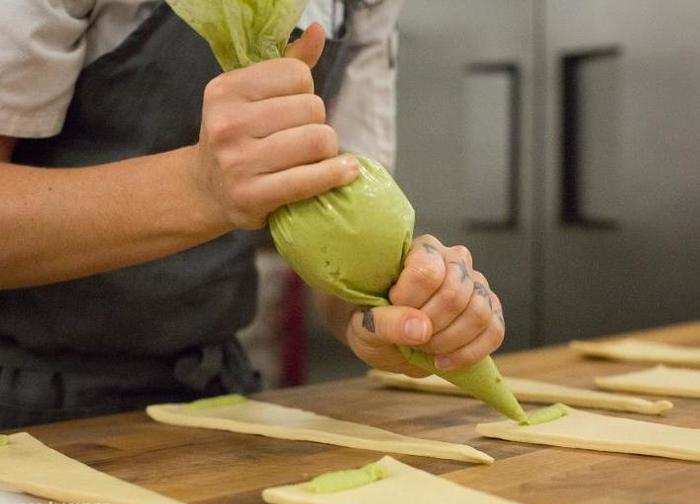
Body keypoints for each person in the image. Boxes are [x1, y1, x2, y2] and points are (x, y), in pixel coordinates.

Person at [0, 0, 505, 429]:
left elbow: (330, 214)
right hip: (23, 404)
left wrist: (391, 307)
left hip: (213, 395)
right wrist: (198, 189)